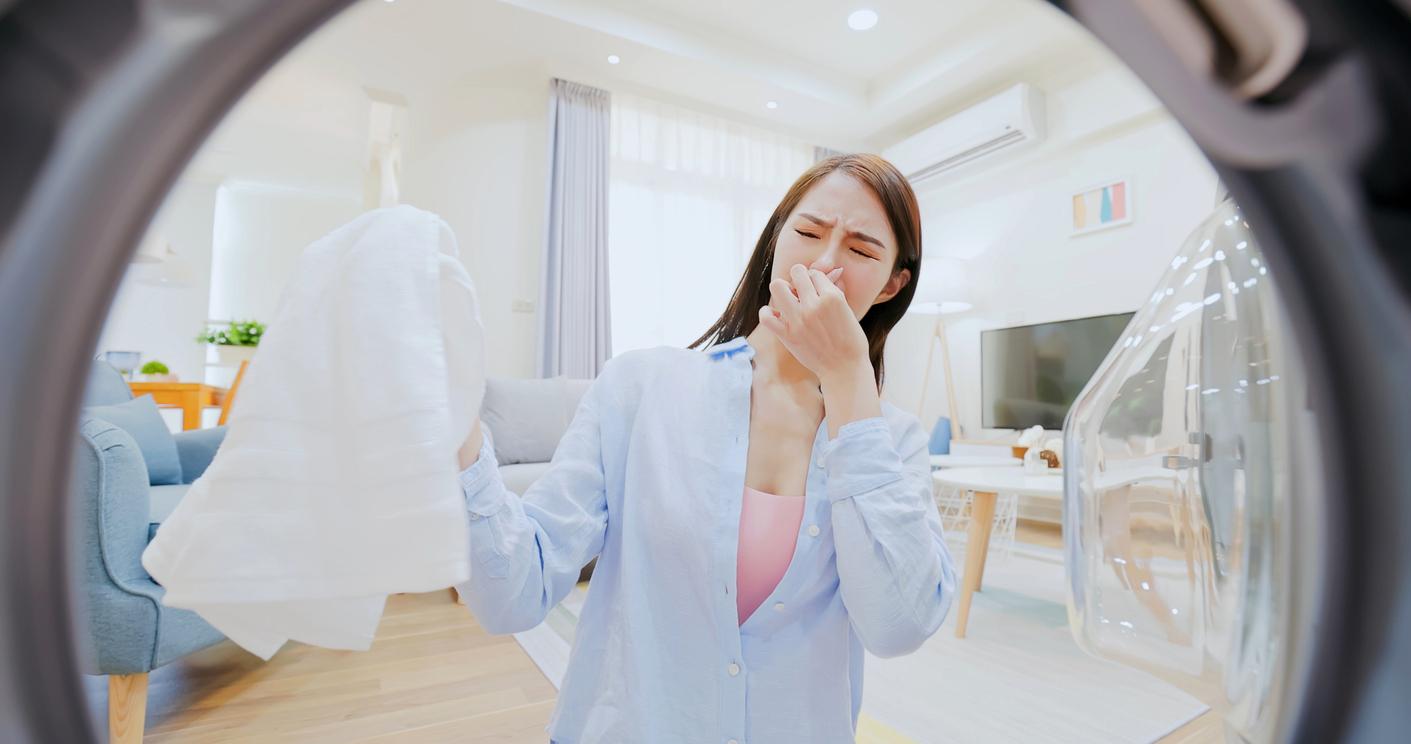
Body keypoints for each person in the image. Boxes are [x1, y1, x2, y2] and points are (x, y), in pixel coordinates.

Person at [453, 153, 957, 744]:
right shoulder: (640, 389)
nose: (825, 263)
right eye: (809, 232)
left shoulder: (892, 440)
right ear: (774, 241)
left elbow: (898, 625)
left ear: (894, 282)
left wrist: (848, 379)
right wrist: (458, 429)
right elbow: (513, 591)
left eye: (863, 250)